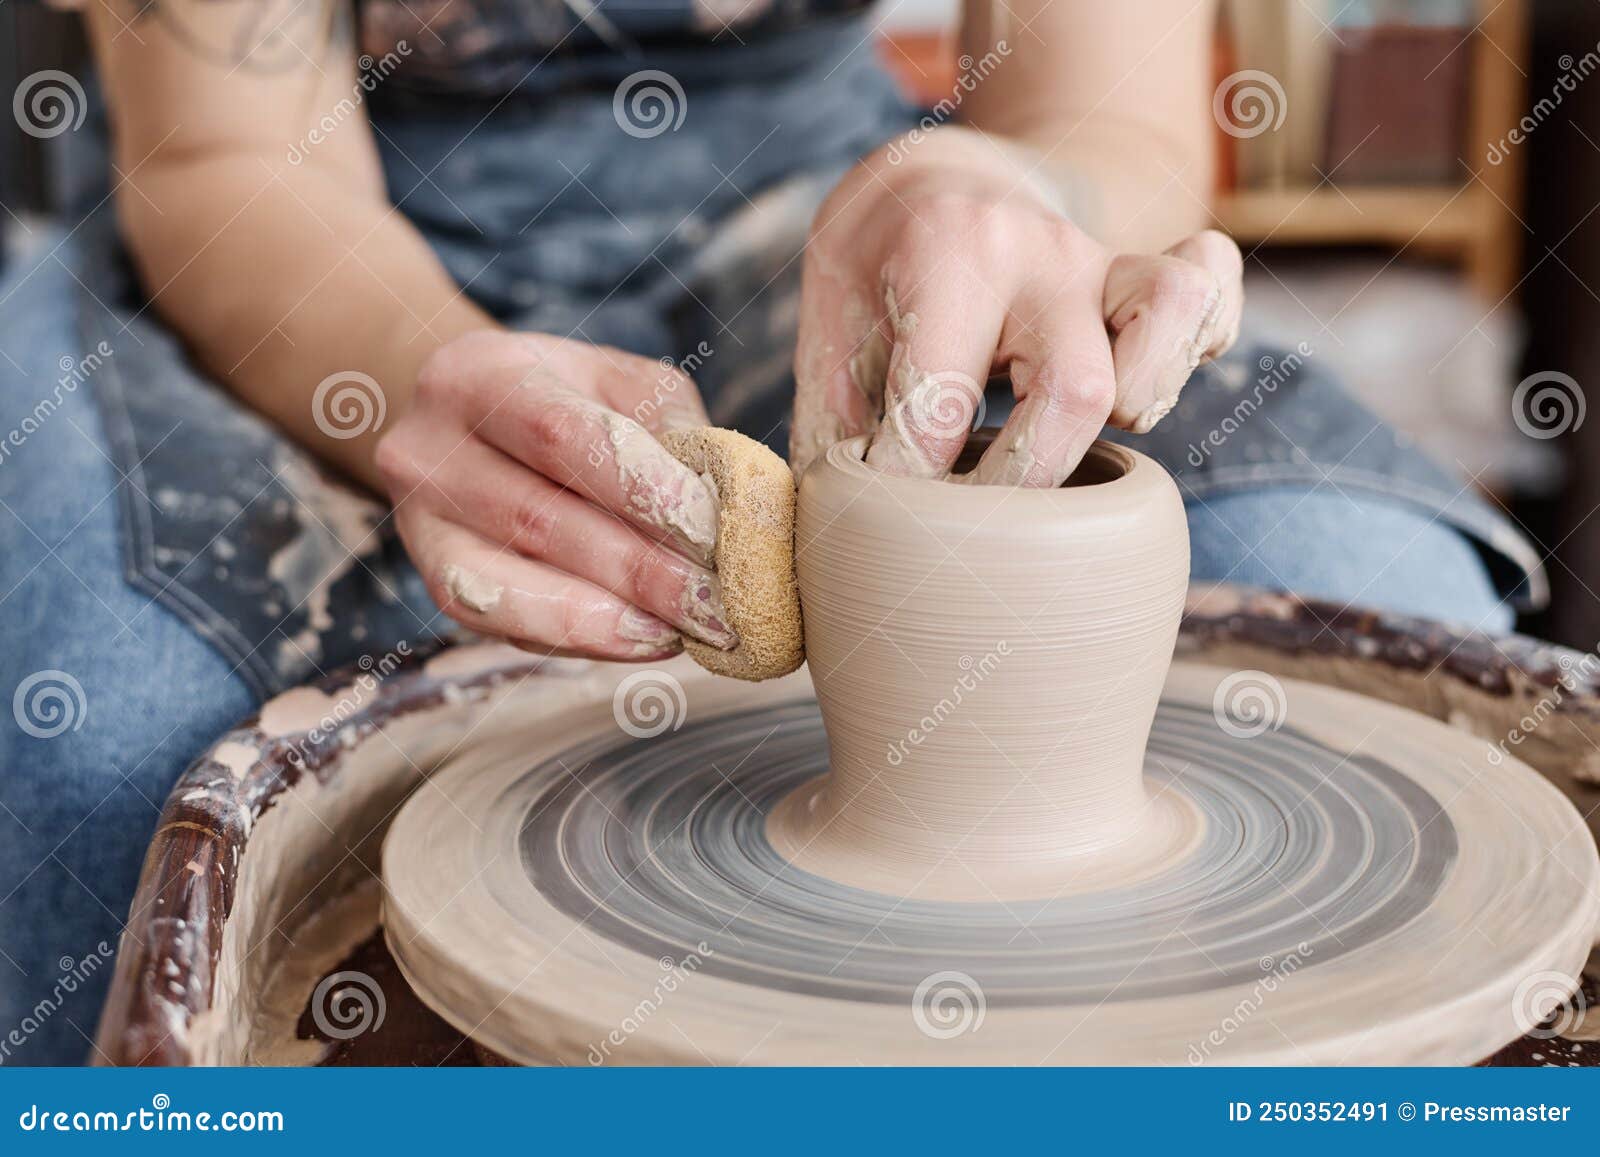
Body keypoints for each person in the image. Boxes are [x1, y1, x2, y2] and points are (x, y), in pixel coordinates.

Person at [0, 0, 1534, 1062]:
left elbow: (1110, 102)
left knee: (1366, 587)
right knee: (125, 751)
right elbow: (225, 160)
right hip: (299, 223)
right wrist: (410, 377)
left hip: (816, 202)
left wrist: (993, 182)